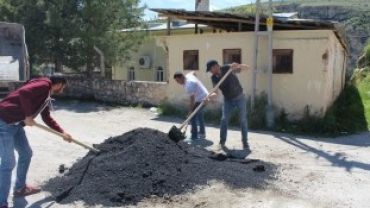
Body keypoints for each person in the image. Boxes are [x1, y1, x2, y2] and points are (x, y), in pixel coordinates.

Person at [0, 74, 73, 208]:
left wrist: (62, 132)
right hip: (3, 122)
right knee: (8, 163)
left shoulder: (45, 95)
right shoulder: (44, 85)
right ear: (58, 84)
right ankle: (1, 202)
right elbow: (24, 92)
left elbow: (46, 117)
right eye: (63, 87)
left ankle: (20, 188)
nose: (62, 90)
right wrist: (28, 115)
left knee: (26, 153)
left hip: (15, 124)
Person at [204, 60, 250, 150]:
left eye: (210, 69)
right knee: (224, 120)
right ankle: (222, 142)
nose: (210, 72)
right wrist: (208, 98)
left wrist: (238, 66)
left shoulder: (228, 68)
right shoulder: (214, 78)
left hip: (239, 97)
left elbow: (247, 68)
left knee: (243, 119)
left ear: (215, 66)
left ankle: (245, 142)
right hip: (228, 100)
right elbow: (216, 92)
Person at [174, 71, 209, 143]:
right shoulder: (188, 76)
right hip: (205, 95)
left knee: (192, 116)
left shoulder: (189, 85)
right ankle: (202, 133)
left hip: (202, 99)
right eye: (176, 81)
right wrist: (197, 84)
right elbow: (194, 72)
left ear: (182, 77)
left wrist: (191, 111)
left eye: (178, 80)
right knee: (199, 115)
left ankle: (194, 136)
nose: (177, 82)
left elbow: (192, 99)